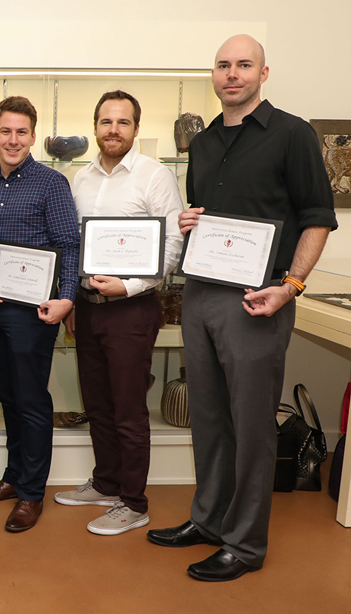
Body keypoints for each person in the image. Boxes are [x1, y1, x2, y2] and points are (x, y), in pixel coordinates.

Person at [147, 35, 337, 581]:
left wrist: (291, 286)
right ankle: (207, 521)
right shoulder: (203, 143)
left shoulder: (293, 134)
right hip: (201, 292)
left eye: (244, 65)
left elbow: (317, 216)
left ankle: (246, 545)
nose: (233, 74)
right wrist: (191, 222)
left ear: (264, 72)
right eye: (224, 65)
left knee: (251, 426)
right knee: (208, 420)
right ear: (214, 74)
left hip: (259, 299)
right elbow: (212, 217)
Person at [55, 91, 184, 535]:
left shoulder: (155, 175)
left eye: (123, 123)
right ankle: (107, 482)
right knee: (98, 403)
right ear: (95, 127)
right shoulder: (79, 177)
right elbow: (72, 243)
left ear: (135, 128)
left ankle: (134, 502)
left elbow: (172, 245)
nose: (113, 130)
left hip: (131, 310)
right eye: (106, 122)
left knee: (128, 410)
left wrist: (128, 285)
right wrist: (72, 297)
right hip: (88, 309)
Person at [0, 96, 80, 533]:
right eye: (5, 131)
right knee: (10, 398)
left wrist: (67, 298)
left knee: (32, 401)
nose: (13, 140)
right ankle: (14, 478)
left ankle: (32, 494)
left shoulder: (51, 183)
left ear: (33, 137)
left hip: (33, 312)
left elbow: (68, 244)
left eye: (21, 132)